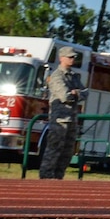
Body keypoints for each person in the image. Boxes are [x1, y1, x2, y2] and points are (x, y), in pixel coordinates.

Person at [38, 47, 84, 180]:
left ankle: (58, 177)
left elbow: (85, 92)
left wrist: (76, 93)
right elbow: (65, 96)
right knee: (54, 149)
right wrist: (75, 94)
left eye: (73, 57)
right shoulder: (56, 76)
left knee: (67, 152)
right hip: (59, 120)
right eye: (70, 57)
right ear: (61, 58)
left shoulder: (74, 76)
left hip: (72, 118)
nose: (72, 59)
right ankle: (46, 176)